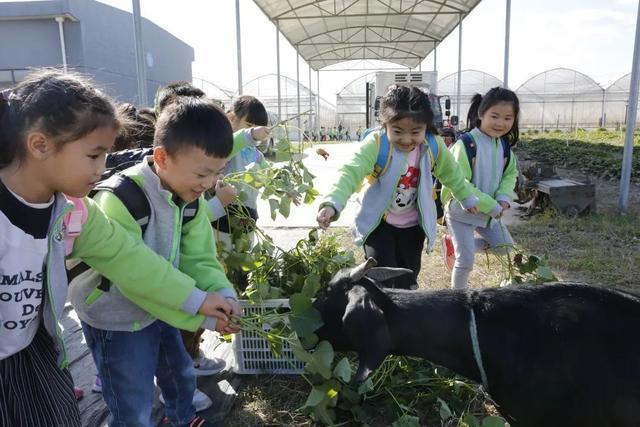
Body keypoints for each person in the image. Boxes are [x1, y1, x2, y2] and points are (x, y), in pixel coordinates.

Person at [0, 70, 232, 427]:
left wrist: (201, 299)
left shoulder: (75, 212)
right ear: (40, 145)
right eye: (94, 155)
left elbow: (131, 260)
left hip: (31, 353)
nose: (102, 168)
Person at [71, 96, 241, 427]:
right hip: (116, 317)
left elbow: (200, 257)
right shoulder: (120, 197)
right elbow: (134, 276)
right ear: (162, 157)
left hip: (162, 304)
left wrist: (222, 294)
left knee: (178, 371)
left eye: (218, 173)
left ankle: (181, 418)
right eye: (202, 173)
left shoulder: (190, 199)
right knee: (131, 397)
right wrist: (199, 306)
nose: (209, 185)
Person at [316, 85, 479, 289]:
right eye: (398, 131)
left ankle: (404, 315)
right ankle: (380, 315)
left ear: (426, 127)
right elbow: (351, 172)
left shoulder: (433, 146)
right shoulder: (376, 144)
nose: (406, 139)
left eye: (415, 132)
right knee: (381, 275)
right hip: (379, 224)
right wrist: (333, 202)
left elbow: (452, 174)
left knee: (407, 279)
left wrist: (467, 197)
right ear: (385, 125)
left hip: (413, 226)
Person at [441, 87, 520, 289]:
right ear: (481, 114)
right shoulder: (466, 144)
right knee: (465, 262)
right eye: (495, 116)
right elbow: (460, 182)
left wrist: (503, 197)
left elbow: (510, 174)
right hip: (461, 213)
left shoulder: (503, 146)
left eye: (508, 118)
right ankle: (458, 300)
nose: (501, 123)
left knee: (504, 247)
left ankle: (455, 245)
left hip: (487, 213)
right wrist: (492, 206)